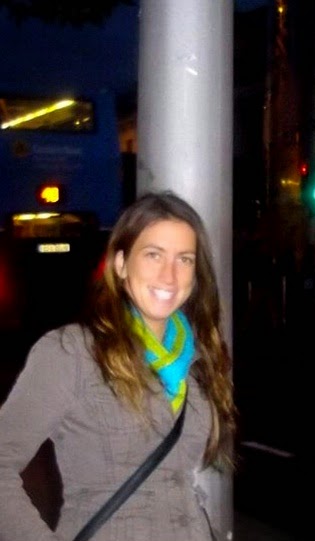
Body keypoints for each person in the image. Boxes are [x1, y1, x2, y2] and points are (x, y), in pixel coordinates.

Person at [0, 190, 237, 541]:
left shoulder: (199, 359)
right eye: (154, 255)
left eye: (185, 259)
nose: (170, 275)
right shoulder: (73, 352)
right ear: (121, 264)